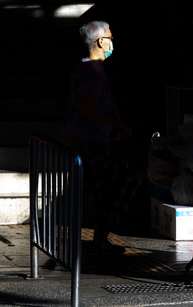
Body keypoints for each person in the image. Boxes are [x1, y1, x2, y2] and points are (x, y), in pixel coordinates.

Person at [61, 20, 138, 254]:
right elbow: (89, 109)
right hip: (90, 140)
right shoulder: (93, 73)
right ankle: (100, 241)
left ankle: (96, 240)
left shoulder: (83, 68)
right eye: (110, 38)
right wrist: (119, 124)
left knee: (96, 191)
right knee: (102, 191)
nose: (112, 42)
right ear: (100, 41)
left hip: (83, 137)